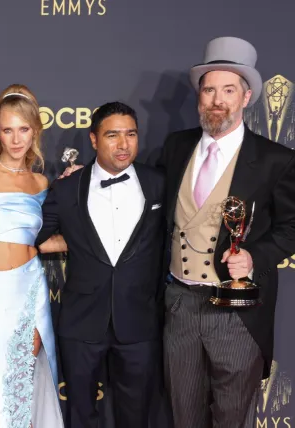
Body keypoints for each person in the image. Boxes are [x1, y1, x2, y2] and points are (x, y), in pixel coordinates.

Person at [158, 36, 295, 427]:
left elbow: (292, 227)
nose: (217, 99)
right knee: (183, 415)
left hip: (236, 313)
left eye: (228, 90)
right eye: (209, 89)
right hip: (179, 305)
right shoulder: (175, 146)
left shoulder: (275, 160)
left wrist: (255, 257)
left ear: (246, 97)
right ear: (199, 96)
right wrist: (80, 181)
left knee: (232, 417)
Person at [36, 102, 165, 428]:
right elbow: (34, 238)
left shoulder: (159, 183)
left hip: (140, 322)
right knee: (81, 415)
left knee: (136, 416)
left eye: (131, 134)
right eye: (112, 135)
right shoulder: (66, 188)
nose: (123, 144)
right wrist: (73, 242)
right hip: (81, 322)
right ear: (94, 139)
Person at [0, 84, 64, 428]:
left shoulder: (41, 182)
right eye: (7, 130)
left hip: (30, 288)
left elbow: (42, 242)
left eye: (23, 129)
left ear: (35, 131)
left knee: (25, 382)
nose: (15, 139)